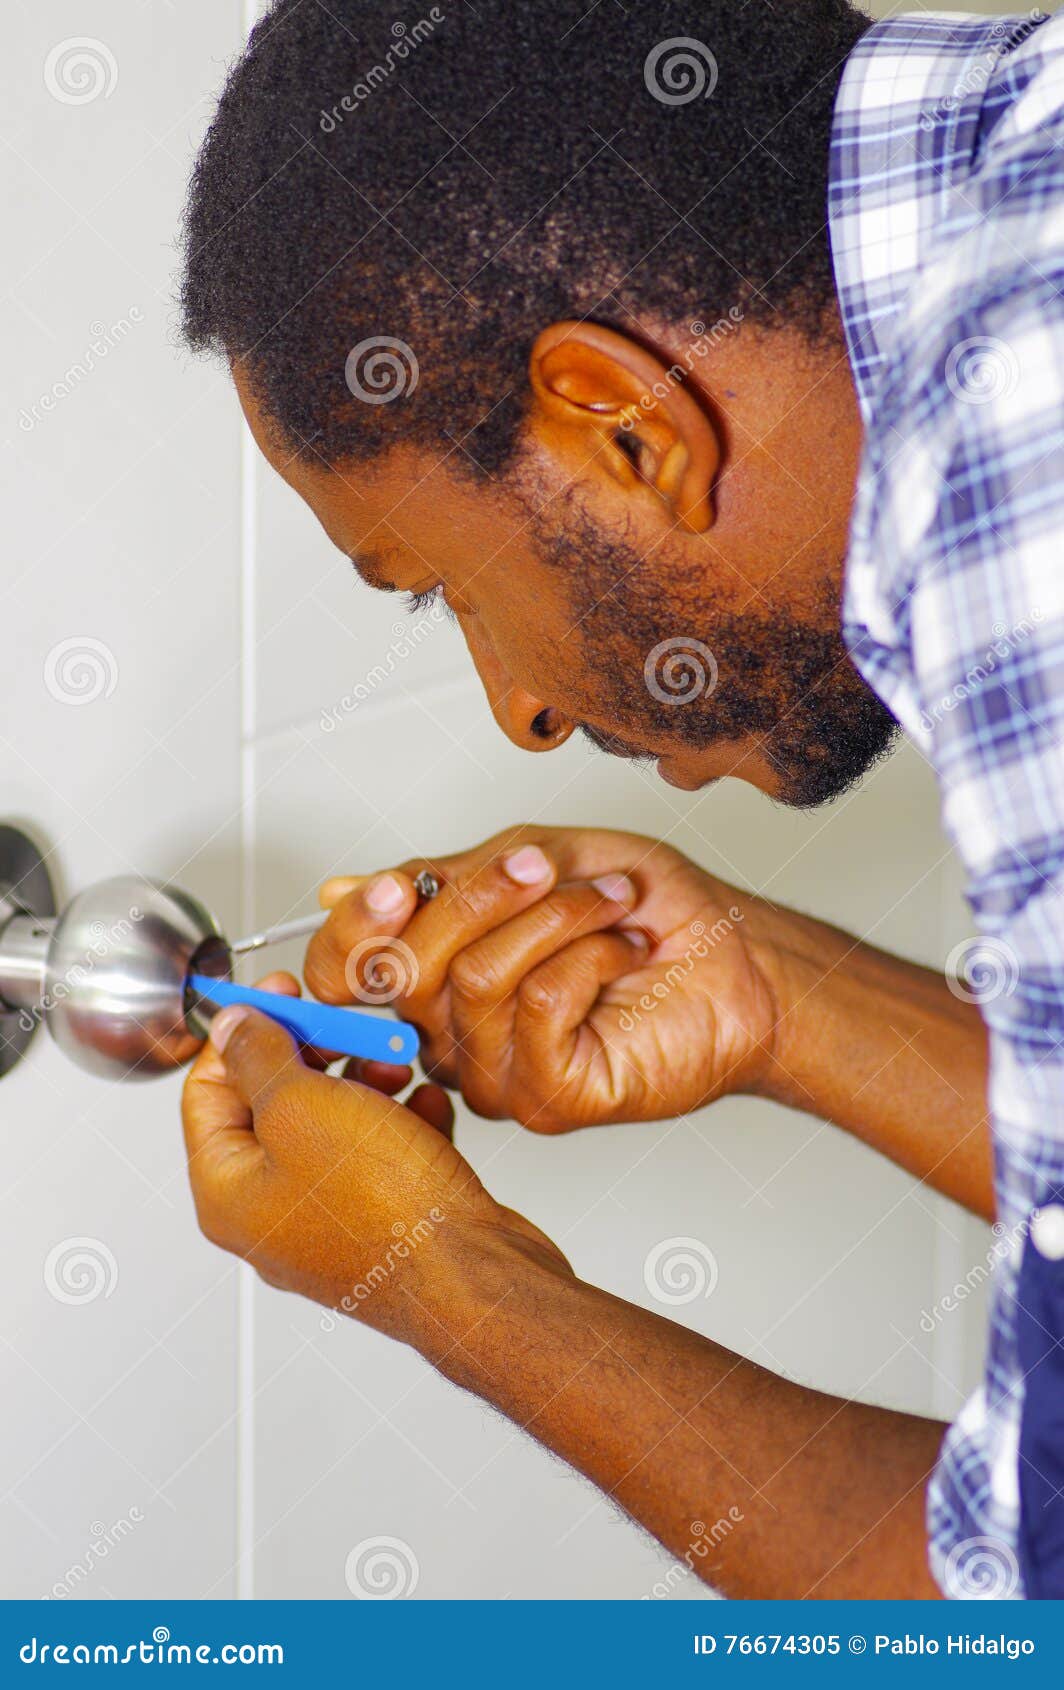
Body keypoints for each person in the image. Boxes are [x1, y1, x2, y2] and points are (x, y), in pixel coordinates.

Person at [178, 0, 1064, 1597]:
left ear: (623, 425)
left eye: (431, 585)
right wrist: (778, 999)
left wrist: (449, 1275)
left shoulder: (1020, 519)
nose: (514, 709)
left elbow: (1020, 1602)